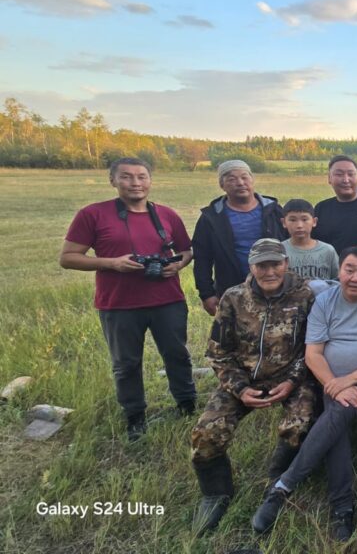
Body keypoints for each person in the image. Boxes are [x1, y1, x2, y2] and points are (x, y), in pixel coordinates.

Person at [251, 247, 357, 542]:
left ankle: (283, 486)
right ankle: (341, 508)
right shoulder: (324, 301)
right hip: (330, 380)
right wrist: (334, 383)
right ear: (339, 271)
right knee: (338, 422)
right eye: (350, 269)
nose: (355, 277)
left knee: (337, 412)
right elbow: (314, 353)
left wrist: (349, 380)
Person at [60, 156, 195, 440]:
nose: (135, 183)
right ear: (113, 180)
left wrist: (177, 266)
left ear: (150, 180)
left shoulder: (167, 215)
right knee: (126, 364)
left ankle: (187, 405)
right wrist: (112, 263)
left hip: (167, 300)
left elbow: (186, 251)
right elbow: (68, 258)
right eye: (126, 176)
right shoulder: (93, 214)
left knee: (177, 355)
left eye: (141, 176)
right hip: (119, 304)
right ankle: (135, 417)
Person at [189, 239, 317, 534]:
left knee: (299, 426)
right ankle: (215, 494)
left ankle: (278, 483)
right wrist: (240, 389)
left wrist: (292, 381)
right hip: (242, 379)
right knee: (205, 434)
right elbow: (218, 352)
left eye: (275, 264)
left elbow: (312, 348)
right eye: (262, 265)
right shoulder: (233, 298)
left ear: (286, 264)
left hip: (291, 377)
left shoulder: (306, 296)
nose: (269, 271)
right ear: (251, 267)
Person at [193, 159, 286, 316]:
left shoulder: (274, 211)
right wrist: (206, 294)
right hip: (231, 290)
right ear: (222, 185)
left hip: (274, 288)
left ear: (252, 180)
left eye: (244, 177)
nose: (240, 183)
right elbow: (202, 258)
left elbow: (291, 246)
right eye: (231, 179)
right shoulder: (212, 217)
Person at [313, 155, 357, 256]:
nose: (346, 180)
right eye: (339, 174)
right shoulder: (321, 209)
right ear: (329, 178)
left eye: (351, 174)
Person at [281, 198, 339, 280]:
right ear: (284, 222)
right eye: (293, 220)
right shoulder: (280, 250)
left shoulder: (328, 250)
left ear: (314, 221)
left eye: (304, 219)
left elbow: (338, 280)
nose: (299, 225)